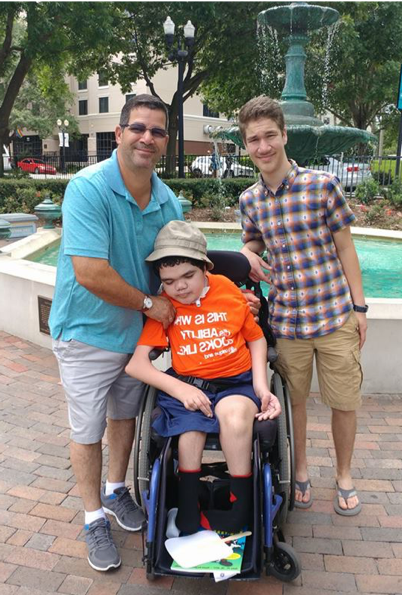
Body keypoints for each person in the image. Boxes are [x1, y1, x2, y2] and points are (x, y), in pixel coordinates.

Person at [49, 94, 184, 572]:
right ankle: (92, 517)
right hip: (86, 333)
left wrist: (230, 275)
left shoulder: (169, 200)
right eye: (139, 128)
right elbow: (89, 271)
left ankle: (116, 490)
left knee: (124, 417)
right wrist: (152, 304)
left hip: (135, 339)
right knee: (87, 429)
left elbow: (180, 265)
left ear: (165, 141)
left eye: (158, 131)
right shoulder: (88, 188)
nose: (147, 137)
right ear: (121, 133)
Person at [237, 95, 367, 516]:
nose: (263, 147)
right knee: (294, 403)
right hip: (288, 321)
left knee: (343, 401)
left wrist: (360, 308)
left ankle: (344, 475)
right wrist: (249, 253)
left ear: (284, 134)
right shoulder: (250, 200)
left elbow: (347, 250)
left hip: (333, 315)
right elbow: (254, 238)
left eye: (269, 135)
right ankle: (303, 469)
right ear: (246, 144)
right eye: (254, 139)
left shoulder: (322, 186)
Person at [125, 220, 281, 535]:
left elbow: (257, 338)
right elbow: (137, 365)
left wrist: (261, 386)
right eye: (168, 281)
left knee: (235, 418)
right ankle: (187, 510)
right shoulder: (165, 306)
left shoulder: (227, 290)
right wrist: (179, 389)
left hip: (235, 382)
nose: (180, 286)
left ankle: (240, 509)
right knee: (189, 433)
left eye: (188, 276)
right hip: (188, 385)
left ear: (205, 268)